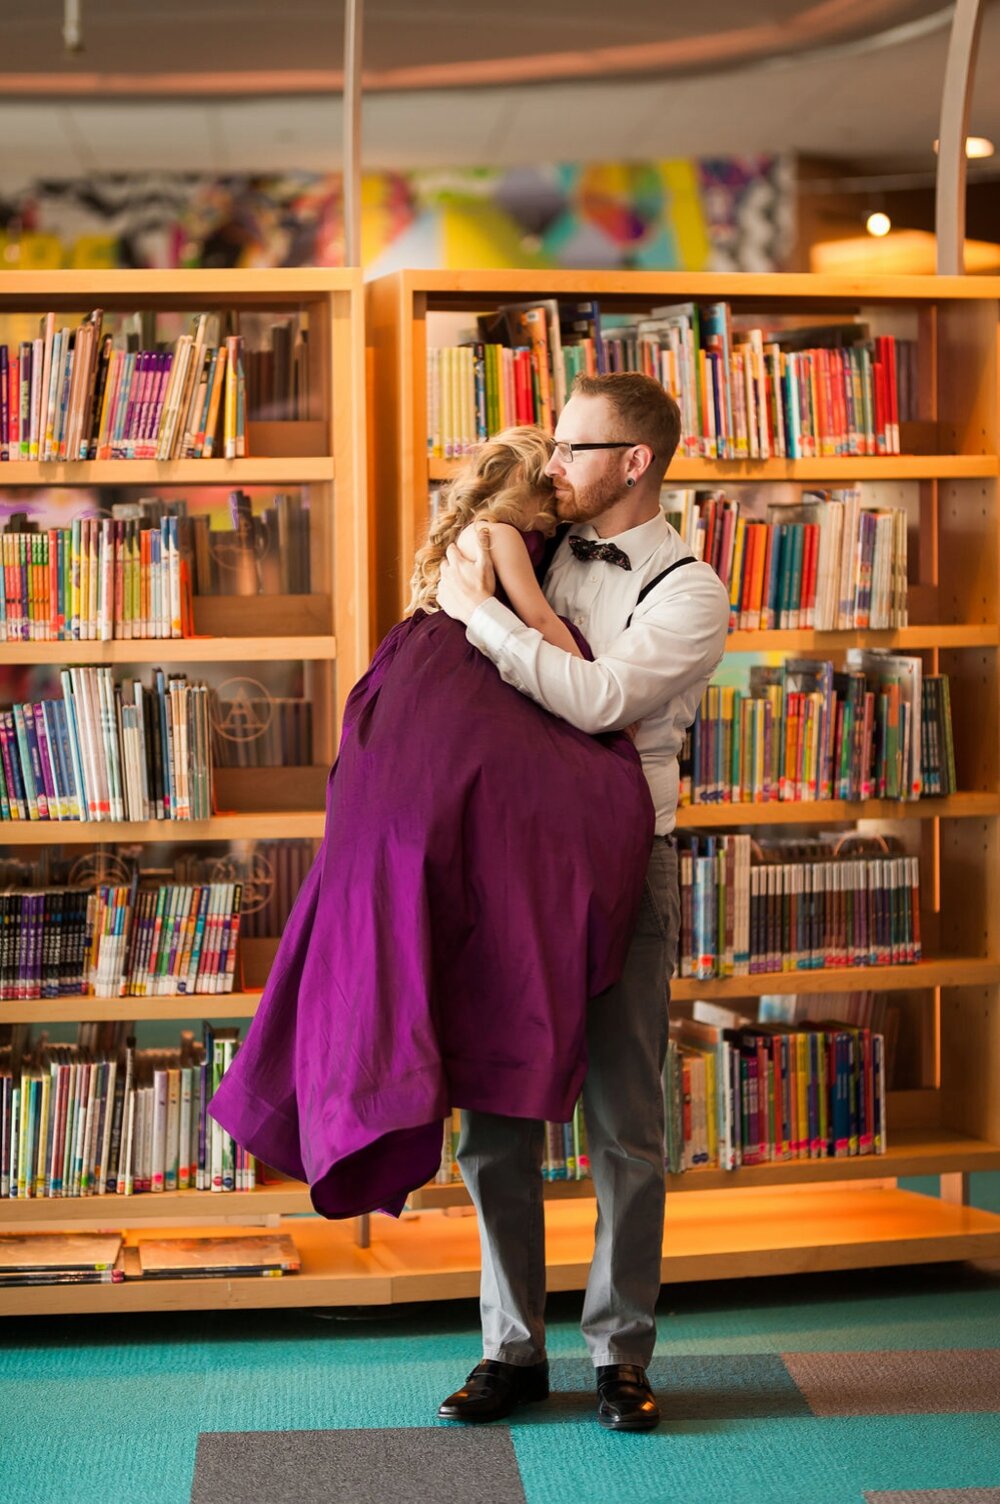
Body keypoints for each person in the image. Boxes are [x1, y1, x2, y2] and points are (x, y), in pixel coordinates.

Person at [208, 426, 655, 1233]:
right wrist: (569, 648)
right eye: (551, 482)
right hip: (469, 693)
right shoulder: (508, 541)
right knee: (597, 795)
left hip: (408, 704)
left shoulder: (454, 548)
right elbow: (544, 638)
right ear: (530, 495)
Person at [434, 372, 730, 1433]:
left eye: (572, 447)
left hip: (621, 865)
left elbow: (599, 700)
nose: (550, 463)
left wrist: (486, 618)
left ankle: (619, 1354)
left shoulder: (691, 589)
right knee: (494, 1116)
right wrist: (482, 585)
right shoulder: (535, 543)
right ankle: (509, 1348)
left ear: (636, 461)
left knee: (624, 1123)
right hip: (507, 861)